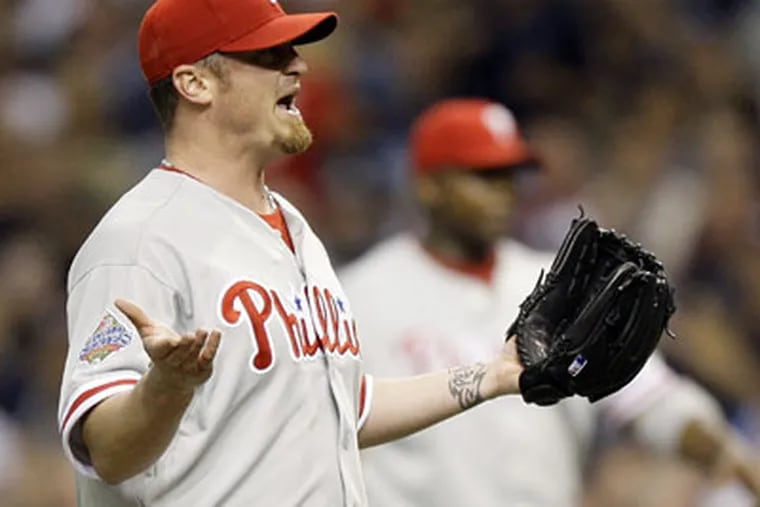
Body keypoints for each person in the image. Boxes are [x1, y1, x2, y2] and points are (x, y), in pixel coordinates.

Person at [56, 2, 529, 506]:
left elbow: (342, 408)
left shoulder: (294, 224)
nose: (298, 65)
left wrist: (494, 375)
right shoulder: (140, 239)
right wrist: (166, 388)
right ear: (195, 84)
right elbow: (106, 450)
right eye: (268, 53)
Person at [338, 98, 760, 507]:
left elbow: (652, 400)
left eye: (509, 175)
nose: (502, 193)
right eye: (483, 175)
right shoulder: (358, 295)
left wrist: (723, 451)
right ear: (428, 186)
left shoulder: (561, 286)